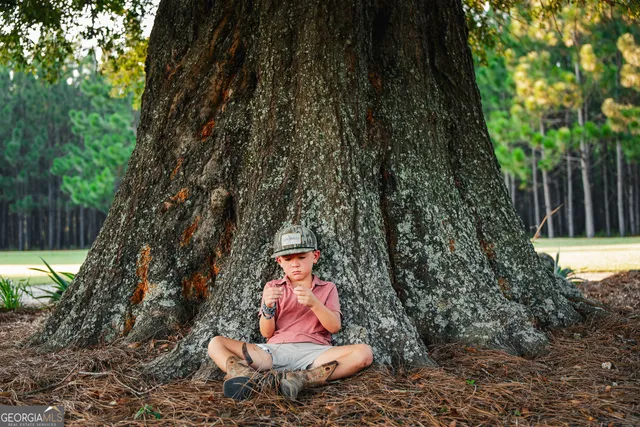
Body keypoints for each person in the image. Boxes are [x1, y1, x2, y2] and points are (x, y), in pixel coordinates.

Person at [207, 224, 373, 400]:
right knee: (215, 343)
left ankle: (301, 380)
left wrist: (314, 303)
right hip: (273, 353)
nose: (295, 264)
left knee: (364, 353)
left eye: (302, 257)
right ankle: (245, 376)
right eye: (288, 259)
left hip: (315, 354)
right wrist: (268, 307)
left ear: (315, 256)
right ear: (279, 261)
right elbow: (266, 332)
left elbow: (334, 327)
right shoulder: (273, 287)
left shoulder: (327, 288)